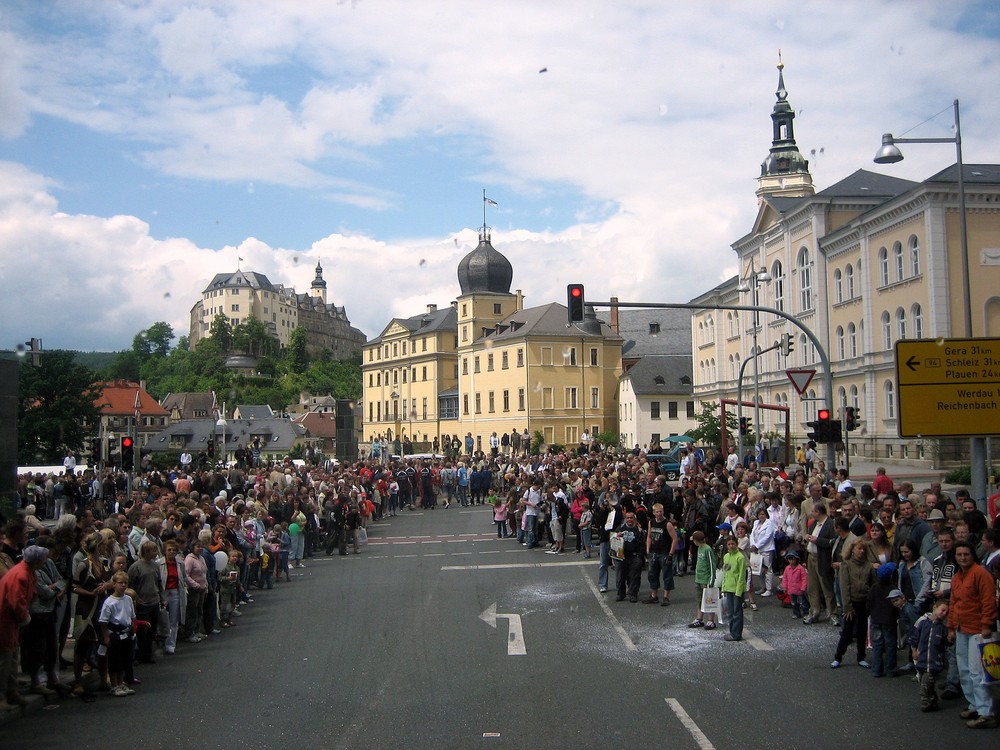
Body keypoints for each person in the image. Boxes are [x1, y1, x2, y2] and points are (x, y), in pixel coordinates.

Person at [947, 542, 998, 729]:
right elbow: (953, 603)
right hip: (961, 629)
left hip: (978, 630)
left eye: (966, 554)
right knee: (965, 671)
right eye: (959, 554)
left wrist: (986, 625)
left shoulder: (981, 574)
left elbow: (988, 601)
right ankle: (974, 704)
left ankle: (987, 713)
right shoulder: (957, 577)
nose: (962, 558)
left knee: (978, 673)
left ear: (972, 555)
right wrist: (951, 627)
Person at [0, 545, 48, 709]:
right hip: (5, 621)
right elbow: (16, 601)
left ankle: (12, 692)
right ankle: (1, 697)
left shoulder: (27, 572)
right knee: (5, 660)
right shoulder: (20, 575)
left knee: (12, 657)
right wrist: (24, 617)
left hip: (11, 622)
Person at [831, 541, 874, 669]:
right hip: (852, 602)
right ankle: (838, 656)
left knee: (862, 631)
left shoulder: (868, 566)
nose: (862, 551)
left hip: (864, 602)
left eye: (863, 549)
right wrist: (847, 606)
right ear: (853, 550)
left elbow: (872, 584)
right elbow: (844, 587)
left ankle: (861, 657)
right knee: (847, 631)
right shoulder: (846, 565)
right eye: (859, 548)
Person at [98, 571, 136, 697]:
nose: (123, 585)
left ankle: (121, 683)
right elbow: (103, 621)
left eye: (125, 583)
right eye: (120, 583)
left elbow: (131, 616)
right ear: (114, 584)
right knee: (115, 661)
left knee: (125, 660)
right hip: (114, 634)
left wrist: (132, 630)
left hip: (126, 633)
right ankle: (114, 685)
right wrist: (106, 636)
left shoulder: (128, 599)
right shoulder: (109, 602)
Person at [909, 600, 950, 712]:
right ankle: (932, 699)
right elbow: (914, 638)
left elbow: (946, 644)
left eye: (946, 612)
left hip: (934, 661)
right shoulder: (923, 623)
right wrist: (913, 650)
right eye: (942, 610)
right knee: (926, 681)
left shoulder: (942, 628)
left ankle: (926, 702)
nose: (944, 613)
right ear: (934, 608)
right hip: (922, 659)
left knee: (926, 682)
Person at [868, 562, 901, 678]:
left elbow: (869, 604)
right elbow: (897, 606)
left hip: (876, 620)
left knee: (877, 645)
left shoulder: (873, 588)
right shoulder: (893, 589)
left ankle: (877, 669)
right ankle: (890, 669)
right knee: (890, 645)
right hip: (889, 621)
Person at [644, 503, 678, 606]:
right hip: (654, 552)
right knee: (652, 574)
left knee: (667, 574)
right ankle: (654, 595)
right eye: (657, 512)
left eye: (661, 511)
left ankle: (666, 596)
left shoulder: (667, 524)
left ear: (663, 512)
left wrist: (671, 554)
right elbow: (649, 536)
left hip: (664, 552)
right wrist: (648, 550)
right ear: (654, 513)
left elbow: (675, 539)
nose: (659, 513)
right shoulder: (651, 522)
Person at [614, 512, 645, 603]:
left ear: (634, 519)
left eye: (631, 518)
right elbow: (612, 540)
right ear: (625, 519)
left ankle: (633, 594)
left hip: (634, 556)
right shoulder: (620, 529)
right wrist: (617, 536)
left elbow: (642, 544)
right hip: (622, 556)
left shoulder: (639, 530)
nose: (630, 520)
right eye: (628, 518)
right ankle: (621, 593)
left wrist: (640, 556)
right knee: (621, 576)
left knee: (634, 576)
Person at [720, 536, 747, 642]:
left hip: (737, 589)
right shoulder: (726, 556)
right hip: (729, 588)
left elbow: (741, 575)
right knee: (730, 612)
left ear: (736, 544)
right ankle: (732, 631)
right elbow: (725, 573)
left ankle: (737, 634)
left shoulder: (740, 557)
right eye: (729, 544)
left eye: (733, 544)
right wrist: (724, 587)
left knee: (737, 612)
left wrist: (739, 591)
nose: (731, 546)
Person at [782, 550, 808, 619]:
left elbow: (804, 578)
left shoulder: (800, 568)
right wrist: (785, 587)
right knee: (794, 603)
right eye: (789, 559)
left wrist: (803, 587)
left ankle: (806, 613)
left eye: (793, 559)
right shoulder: (787, 568)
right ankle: (796, 613)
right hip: (791, 589)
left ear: (796, 559)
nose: (791, 561)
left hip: (799, 589)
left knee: (803, 602)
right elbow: (785, 578)